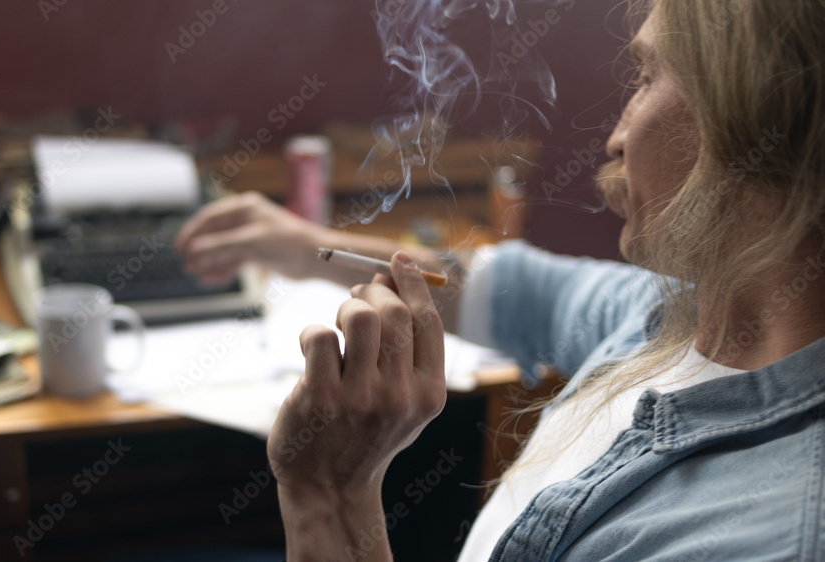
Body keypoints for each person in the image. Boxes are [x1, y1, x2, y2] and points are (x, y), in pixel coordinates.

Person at [175, 0, 825, 559]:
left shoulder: (768, 535)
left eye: (649, 77)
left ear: (758, 117)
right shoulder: (679, 314)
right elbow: (514, 287)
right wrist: (306, 246)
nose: (616, 136)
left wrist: (331, 497)